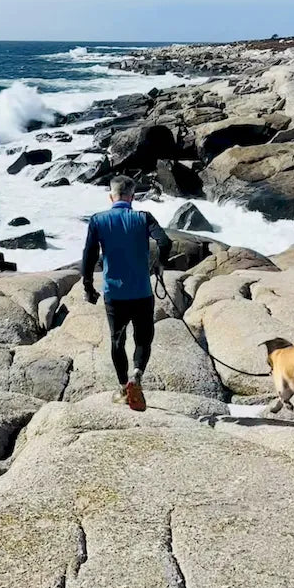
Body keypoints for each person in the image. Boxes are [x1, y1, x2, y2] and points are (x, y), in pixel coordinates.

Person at [81, 174, 173, 411]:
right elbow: (165, 242)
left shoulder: (98, 220)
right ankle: (137, 374)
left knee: (117, 340)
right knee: (143, 339)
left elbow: (89, 255)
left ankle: (123, 387)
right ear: (132, 197)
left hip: (115, 294)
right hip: (142, 292)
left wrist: (88, 285)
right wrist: (160, 264)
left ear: (111, 196)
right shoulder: (143, 217)